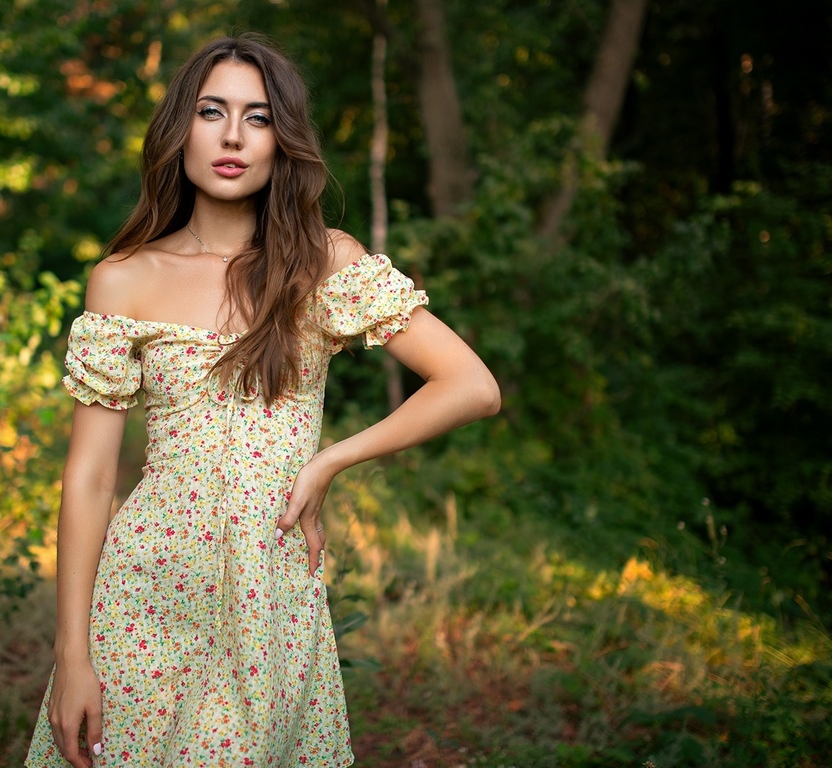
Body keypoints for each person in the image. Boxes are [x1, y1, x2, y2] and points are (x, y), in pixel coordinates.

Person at [25, 33, 500, 768]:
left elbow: (471, 385)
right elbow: (89, 480)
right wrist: (73, 653)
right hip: (143, 599)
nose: (233, 136)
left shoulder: (323, 262)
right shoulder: (123, 278)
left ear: (282, 140)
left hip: (268, 596)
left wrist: (329, 463)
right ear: (180, 129)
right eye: (212, 111)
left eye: (258, 116)